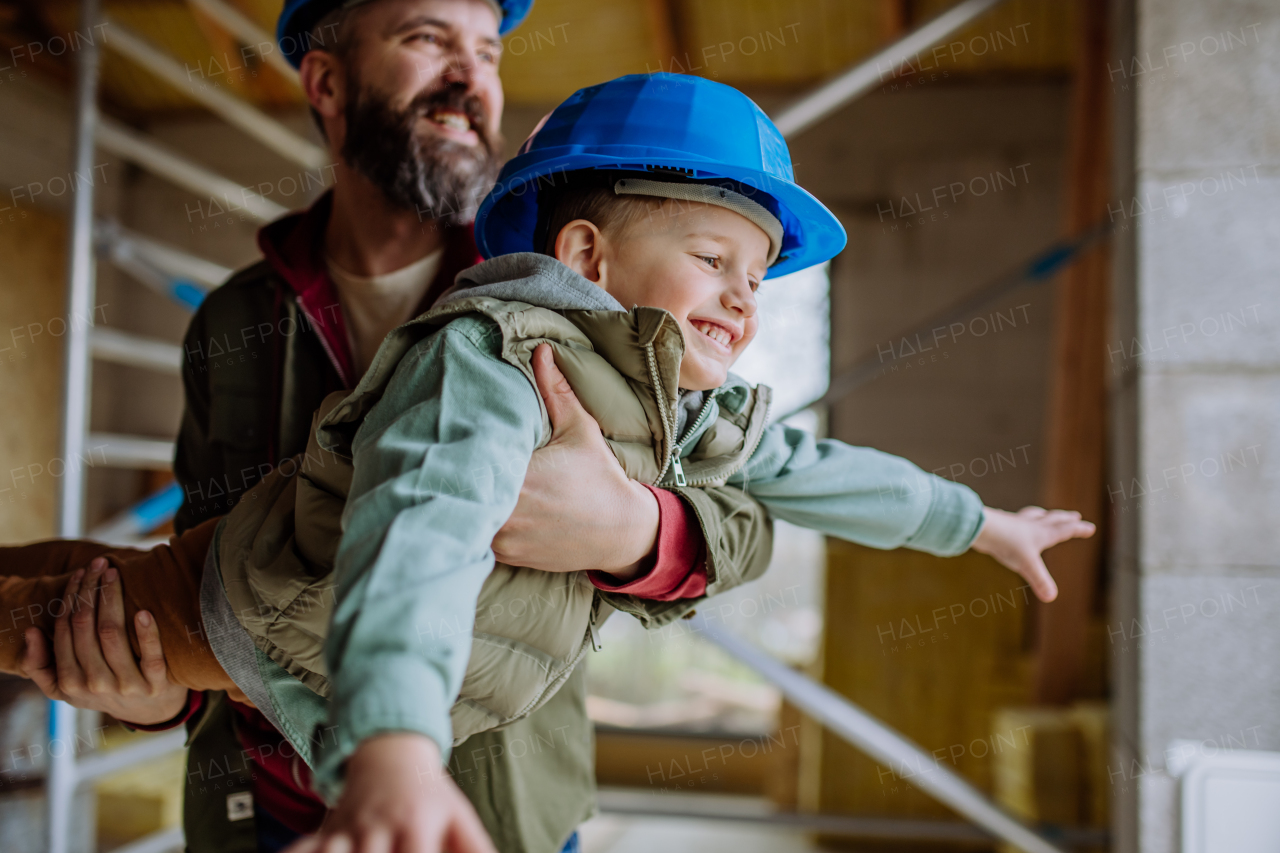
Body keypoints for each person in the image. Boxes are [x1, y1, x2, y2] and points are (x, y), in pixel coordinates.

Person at [3, 72, 1095, 853]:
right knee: (58, 612)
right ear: (585, 255)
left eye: (756, 278)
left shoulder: (687, 410)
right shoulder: (495, 358)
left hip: (420, 740)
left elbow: (802, 473)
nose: (738, 294)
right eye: (710, 257)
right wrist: (390, 743)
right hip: (261, 622)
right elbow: (419, 530)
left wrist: (973, 522)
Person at [14, 3, 775, 852]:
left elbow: (747, 526)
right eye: (427, 39)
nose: (469, 76)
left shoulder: (575, 298)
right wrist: (154, 689)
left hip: (484, 817)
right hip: (264, 810)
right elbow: (213, 561)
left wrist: (631, 528)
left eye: (486, 51)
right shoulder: (234, 319)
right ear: (328, 82)